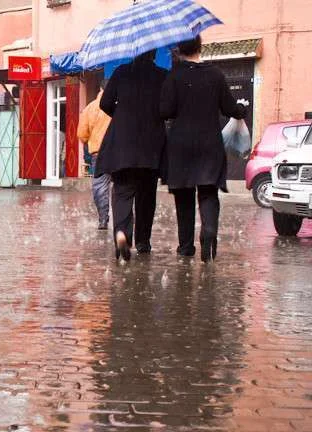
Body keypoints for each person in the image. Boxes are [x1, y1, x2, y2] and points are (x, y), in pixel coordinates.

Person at [160, 35, 248, 263]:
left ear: (180, 50)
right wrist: (241, 111)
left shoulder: (174, 76)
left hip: (180, 145)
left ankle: (186, 247)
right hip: (209, 143)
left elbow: (165, 111)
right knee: (208, 192)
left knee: (184, 196)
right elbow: (229, 108)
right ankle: (208, 232)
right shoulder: (215, 74)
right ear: (200, 47)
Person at [97, 50, 167, 261]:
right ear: (154, 53)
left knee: (122, 192)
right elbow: (168, 108)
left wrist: (122, 115)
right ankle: (143, 242)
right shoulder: (162, 76)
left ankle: (122, 234)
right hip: (151, 146)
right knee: (147, 195)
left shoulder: (121, 72)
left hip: (122, 145)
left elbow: (104, 103)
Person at [77, 83, 112, 230]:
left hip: (98, 153)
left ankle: (103, 219)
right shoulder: (120, 106)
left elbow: (82, 134)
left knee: (100, 186)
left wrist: (91, 140)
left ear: (100, 89)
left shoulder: (90, 108)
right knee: (123, 186)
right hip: (119, 152)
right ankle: (124, 219)